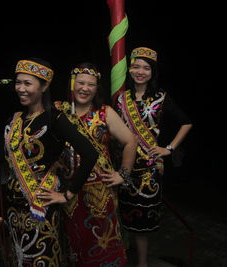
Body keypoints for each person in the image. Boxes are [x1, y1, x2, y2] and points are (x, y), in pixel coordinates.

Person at [0, 57, 98, 266]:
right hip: (13, 212)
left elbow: (90, 154)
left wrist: (67, 194)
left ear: (44, 86)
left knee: (44, 260)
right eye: (18, 82)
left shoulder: (54, 118)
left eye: (28, 83)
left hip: (41, 210)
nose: (21, 88)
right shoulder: (16, 119)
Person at [114, 47, 193, 267]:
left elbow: (186, 122)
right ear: (129, 69)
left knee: (141, 223)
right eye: (136, 66)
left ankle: (142, 264)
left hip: (148, 170)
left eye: (146, 68)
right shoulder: (121, 99)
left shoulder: (161, 97)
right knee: (121, 214)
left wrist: (168, 148)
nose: (140, 71)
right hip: (123, 167)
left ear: (152, 71)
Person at [54, 62, 137, 266]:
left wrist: (123, 174)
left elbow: (130, 141)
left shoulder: (104, 112)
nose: (85, 88)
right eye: (80, 83)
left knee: (103, 243)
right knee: (74, 241)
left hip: (100, 193)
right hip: (69, 190)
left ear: (96, 88)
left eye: (91, 84)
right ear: (72, 85)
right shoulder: (58, 110)